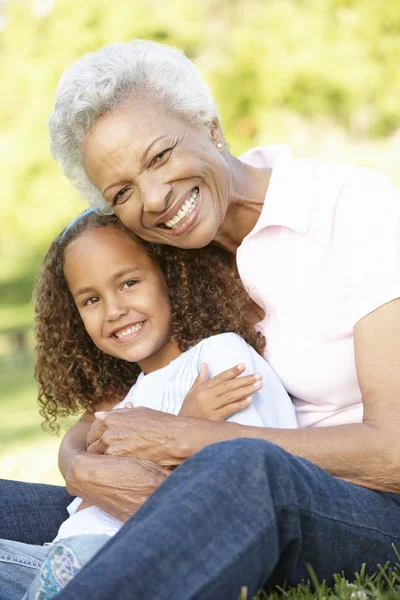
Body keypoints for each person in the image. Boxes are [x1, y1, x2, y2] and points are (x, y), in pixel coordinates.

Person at [1, 38, 400, 598]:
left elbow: (394, 453)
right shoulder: (172, 253)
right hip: (206, 486)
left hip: (360, 508)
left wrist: (188, 440)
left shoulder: (352, 209)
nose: (155, 198)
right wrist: (77, 464)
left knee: (242, 466)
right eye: (123, 191)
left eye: (160, 156)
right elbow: (135, 402)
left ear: (211, 126)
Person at [0, 210, 296, 599]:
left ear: (171, 277)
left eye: (128, 282)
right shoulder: (129, 397)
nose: (113, 310)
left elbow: (239, 494)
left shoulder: (218, 358)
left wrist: (182, 430)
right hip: (58, 557)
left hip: (130, 561)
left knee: (77, 558)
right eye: (91, 300)